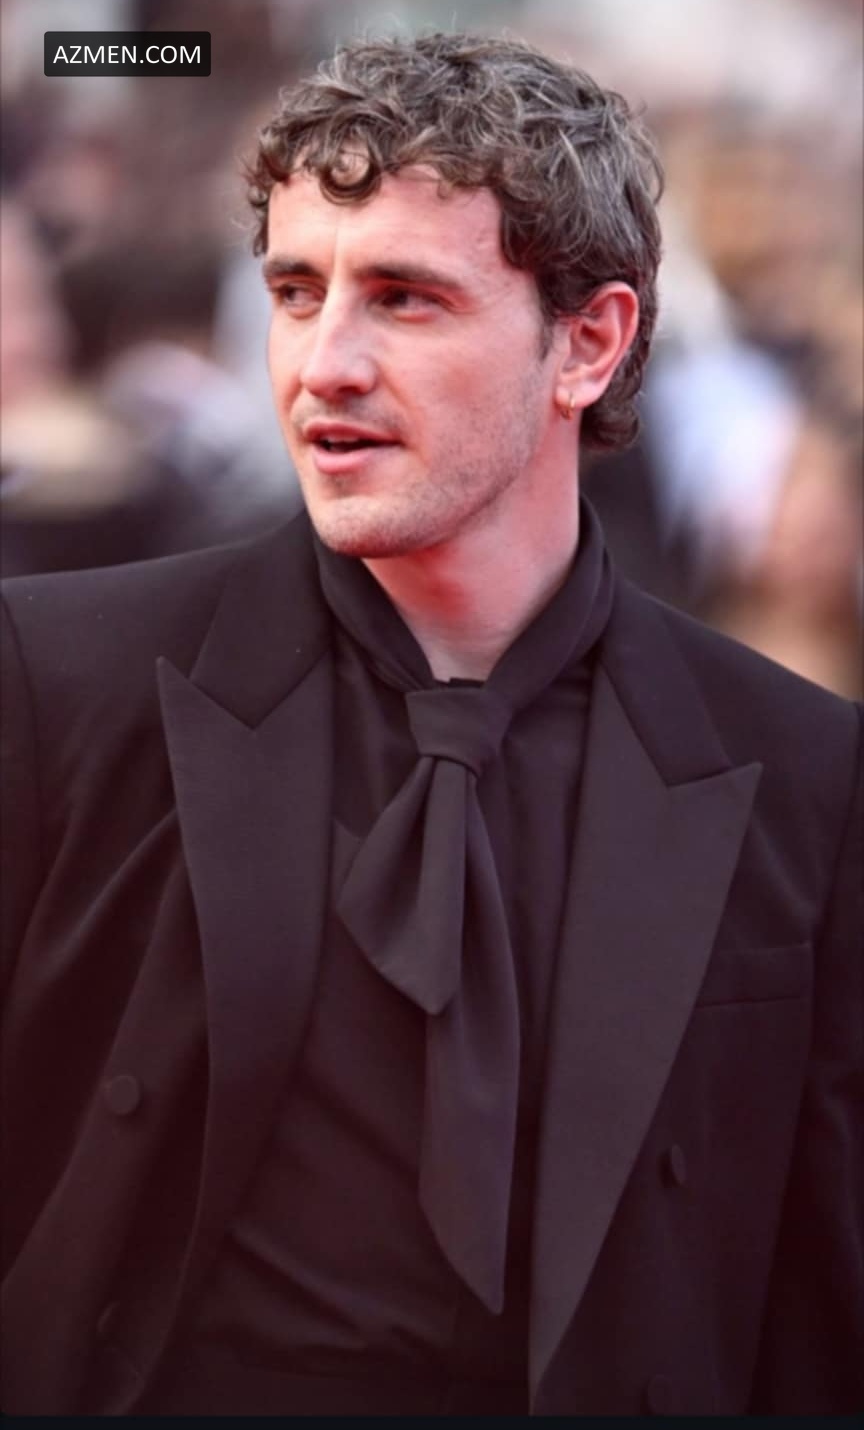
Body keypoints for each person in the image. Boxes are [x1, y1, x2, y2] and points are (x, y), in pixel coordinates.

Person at [1, 32, 860, 1419]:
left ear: (589, 342)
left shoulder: (803, 774)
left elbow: (819, 1312)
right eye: (296, 291)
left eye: (404, 298)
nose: (323, 365)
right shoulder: (59, 683)